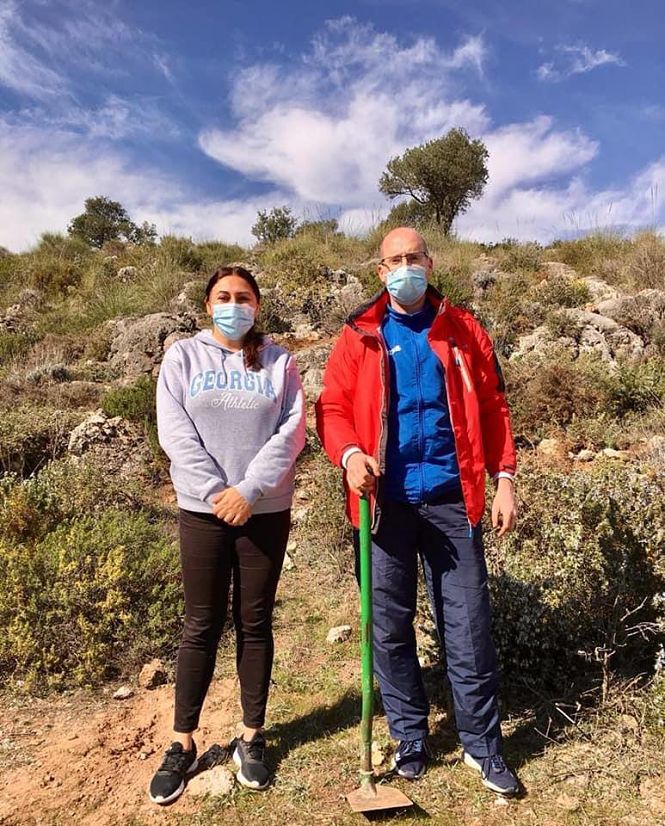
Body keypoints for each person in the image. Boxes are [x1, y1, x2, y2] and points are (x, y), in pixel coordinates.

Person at [315, 227, 520, 795]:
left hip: (455, 500)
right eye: (394, 260)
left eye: (414, 258)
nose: (406, 267)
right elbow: (331, 408)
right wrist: (351, 454)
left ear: (430, 263)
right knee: (388, 625)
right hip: (385, 507)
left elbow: (495, 406)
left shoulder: (463, 329)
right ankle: (410, 736)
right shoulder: (359, 336)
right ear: (380, 272)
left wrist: (503, 479)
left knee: (469, 625)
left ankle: (483, 745)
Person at [150, 265, 306, 804]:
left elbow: (292, 431)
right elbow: (174, 430)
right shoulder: (182, 357)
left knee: (255, 620)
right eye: (223, 296)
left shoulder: (279, 361)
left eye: (243, 297)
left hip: (265, 510)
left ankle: (251, 736)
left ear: (257, 306)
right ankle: (182, 742)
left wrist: (250, 490)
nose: (233, 305)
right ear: (207, 303)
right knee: (200, 623)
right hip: (202, 509)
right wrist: (219, 491)